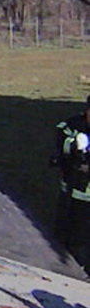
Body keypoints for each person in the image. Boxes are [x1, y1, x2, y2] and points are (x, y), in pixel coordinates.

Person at [52, 95, 90, 275]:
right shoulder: (74, 124)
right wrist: (74, 146)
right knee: (62, 228)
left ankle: (79, 270)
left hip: (87, 198)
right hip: (69, 189)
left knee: (81, 237)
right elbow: (61, 137)